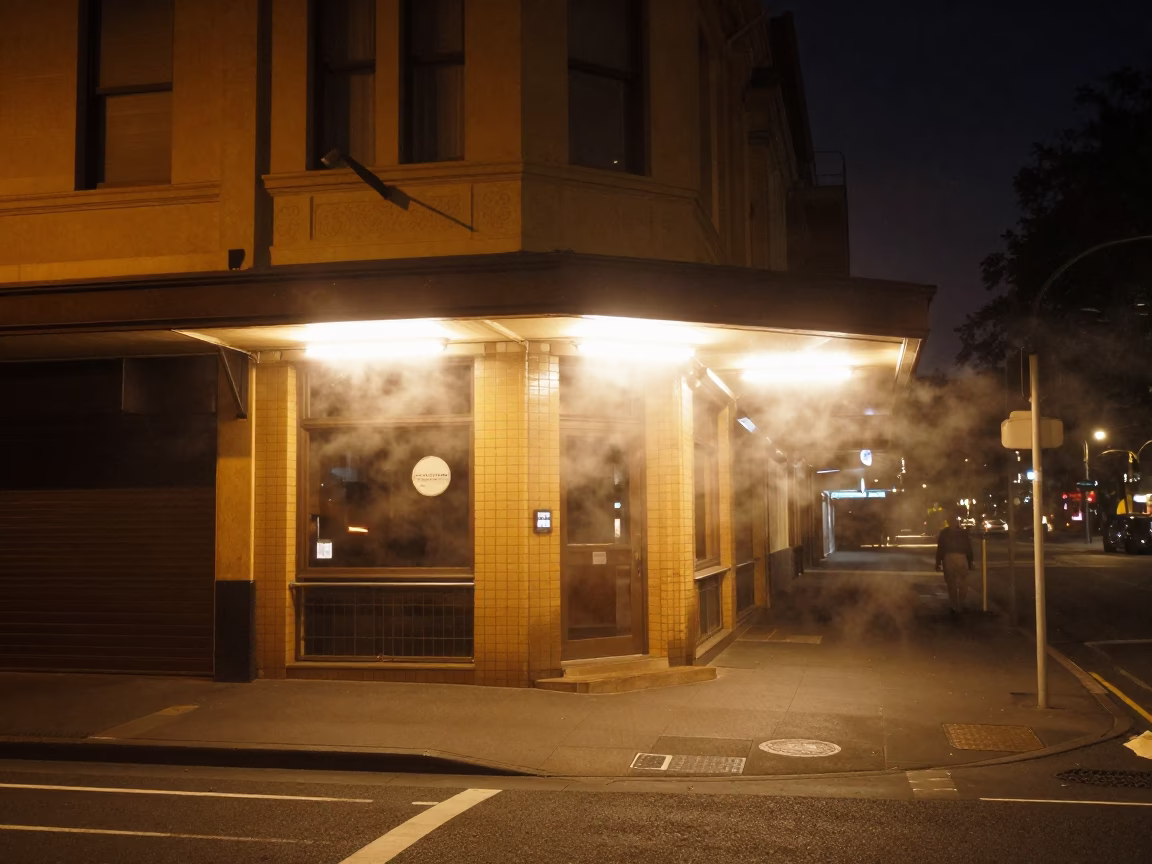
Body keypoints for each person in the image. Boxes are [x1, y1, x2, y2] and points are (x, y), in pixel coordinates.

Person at [935, 514, 974, 617]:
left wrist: (938, 562)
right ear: (957, 523)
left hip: (948, 558)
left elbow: (940, 548)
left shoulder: (943, 533)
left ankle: (954, 605)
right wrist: (970, 562)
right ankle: (960, 604)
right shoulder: (963, 533)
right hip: (961, 557)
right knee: (963, 582)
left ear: (948, 522)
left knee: (951, 582)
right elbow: (968, 548)